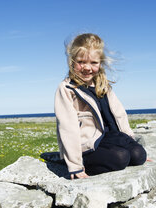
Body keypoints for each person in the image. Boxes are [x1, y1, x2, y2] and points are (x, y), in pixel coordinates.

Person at [54, 33, 147, 179]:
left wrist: (130, 140)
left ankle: (121, 153)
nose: (87, 67)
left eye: (93, 63)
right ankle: (78, 162)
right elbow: (67, 127)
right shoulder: (67, 89)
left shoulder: (103, 86)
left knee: (139, 155)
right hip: (87, 146)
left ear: (100, 63)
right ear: (72, 61)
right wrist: (74, 165)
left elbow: (119, 115)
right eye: (81, 61)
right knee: (121, 158)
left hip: (110, 138)